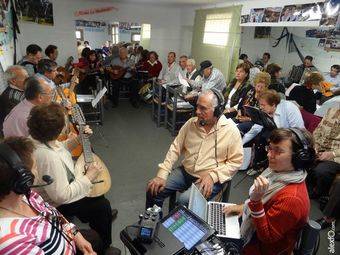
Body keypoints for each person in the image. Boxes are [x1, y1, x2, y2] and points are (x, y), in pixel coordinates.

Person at [27, 103, 119, 254]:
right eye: (65, 122)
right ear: (57, 130)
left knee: (99, 202)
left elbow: (59, 147)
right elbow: (61, 196)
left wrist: (78, 139)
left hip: (56, 191)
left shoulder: (38, 138)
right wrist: (89, 177)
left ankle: (101, 218)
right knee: (101, 205)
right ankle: (104, 246)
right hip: (55, 205)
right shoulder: (48, 158)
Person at [146, 89, 243, 209]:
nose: (197, 112)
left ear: (217, 110)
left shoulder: (231, 131)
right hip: (185, 172)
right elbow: (175, 148)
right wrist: (162, 174)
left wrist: (213, 176)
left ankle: (180, 227)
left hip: (210, 178)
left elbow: (236, 162)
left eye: (203, 108)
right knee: (153, 190)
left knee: (184, 201)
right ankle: (153, 226)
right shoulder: (191, 124)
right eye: (197, 107)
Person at [224, 128, 315, 255]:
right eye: (270, 148)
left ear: (299, 158)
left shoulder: (292, 198)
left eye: (277, 151)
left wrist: (255, 202)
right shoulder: (278, 172)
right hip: (253, 231)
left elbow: (268, 238)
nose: (269, 154)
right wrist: (244, 207)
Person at [0, 137, 96, 255]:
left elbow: (53, 214)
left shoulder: (27, 196)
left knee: (94, 237)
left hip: (67, 238)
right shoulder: (11, 242)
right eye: (35, 167)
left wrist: (75, 233)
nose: (38, 171)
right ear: (22, 180)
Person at [309, 107, 340, 205]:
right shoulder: (331, 110)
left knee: (322, 171)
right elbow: (318, 130)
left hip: (336, 155)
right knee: (301, 157)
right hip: (320, 148)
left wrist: (332, 154)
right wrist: (315, 146)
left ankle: (321, 193)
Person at [0, 66, 29, 131]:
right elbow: (23, 119)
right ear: (13, 81)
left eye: (28, 76)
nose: (29, 79)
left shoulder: (22, 88)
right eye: (25, 78)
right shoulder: (12, 98)